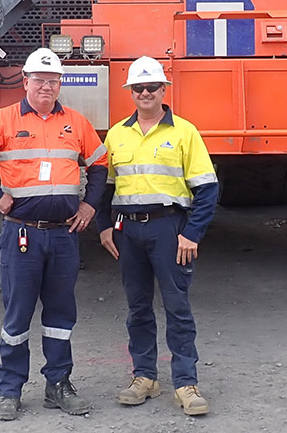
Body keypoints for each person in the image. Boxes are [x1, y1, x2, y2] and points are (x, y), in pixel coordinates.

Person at [0, 48, 107, 421]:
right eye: (39, 80)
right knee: (17, 315)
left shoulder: (76, 122)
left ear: (59, 85)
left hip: (63, 236)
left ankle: (58, 384)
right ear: (25, 82)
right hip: (22, 235)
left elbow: (100, 164)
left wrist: (90, 206)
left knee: (60, 313)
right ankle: (11, 390)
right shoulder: (3, 120)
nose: (46, 87)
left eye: (53, 81)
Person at [95, 56, 218, 416]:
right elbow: (104, 188)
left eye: (152, 87)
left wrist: (192, 234)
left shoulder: (184, 131)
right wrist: (104, 226)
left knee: (177, 307)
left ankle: (186, 383)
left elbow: (208, 189)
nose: (145, 93)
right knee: (137, 308)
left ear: (164, 90)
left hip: (170, 228)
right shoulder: (117, 134)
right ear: (130, 92)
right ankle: (144, 377)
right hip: (128, 230)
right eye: (138, 88)